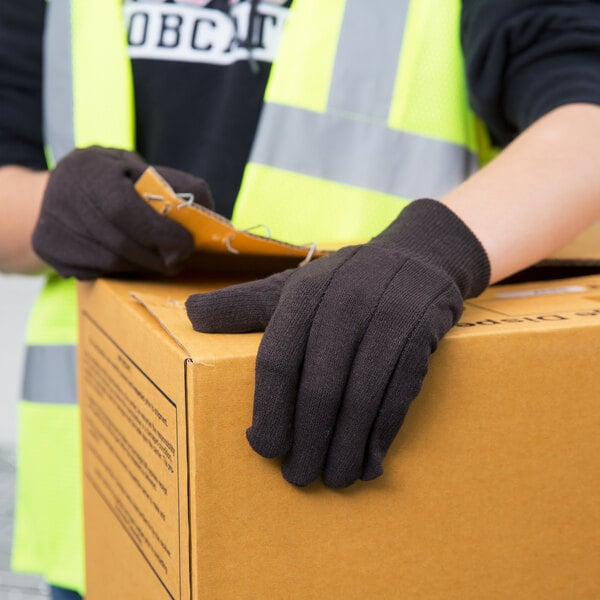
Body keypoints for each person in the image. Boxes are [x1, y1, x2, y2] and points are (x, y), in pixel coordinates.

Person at [1, 1, 599, 598]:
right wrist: (53, 206)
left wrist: (438, 247)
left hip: (382, 490)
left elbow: (586, 115)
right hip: (116, 496)